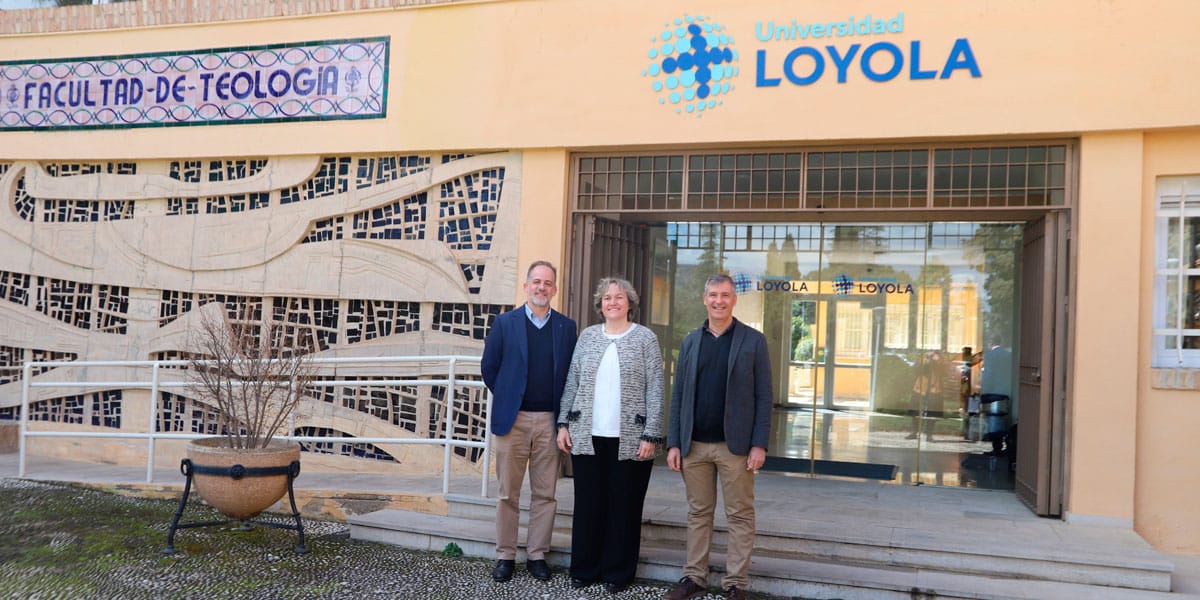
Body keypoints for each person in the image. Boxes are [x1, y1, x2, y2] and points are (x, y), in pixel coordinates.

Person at [664, 274, 772, 600]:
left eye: (725, 295)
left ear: (734, 300)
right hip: (694, 446)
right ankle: (694, 577)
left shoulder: (753, 341)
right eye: (713, 295)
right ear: (704, 299)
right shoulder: (690, 342)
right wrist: (674, 442)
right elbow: (679, 395)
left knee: (740, 515)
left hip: (735, 447)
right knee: (698, 513)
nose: (719, 301)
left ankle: (735, 583)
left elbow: (764, 396)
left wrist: (759, 443)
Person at [556, 277, 665, 594]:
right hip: (587, 435)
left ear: (630, 303)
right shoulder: (588, 337)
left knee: (624, 507)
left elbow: (656, 388)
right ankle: (584, 569)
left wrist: (651, 434)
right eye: (607, 297)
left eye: (619, 297)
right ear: (600, 304)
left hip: (631, 438)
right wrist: (563, 423)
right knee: (588, 505)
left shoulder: (645, 338)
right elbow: (572, 382)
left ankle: (618, 573)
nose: (613, 302)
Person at [481, 260, 577, 584]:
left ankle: (537, 555)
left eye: (547, 283)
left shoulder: (566, 328)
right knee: (508, 493)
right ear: (526, 286)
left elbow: (571, 376)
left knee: (545, 494)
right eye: (536, 281)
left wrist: (563, 421)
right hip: (514, 420)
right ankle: (505, 555)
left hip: (550, 421)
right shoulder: (505, 323)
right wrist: (509, 397)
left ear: (555, 289)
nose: (541, 287)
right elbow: (489, 367)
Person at [907, 350, 945, 442]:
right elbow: (917, 370)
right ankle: (915, 432)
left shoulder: (939, 361)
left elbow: (943, 372)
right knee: (916, 411)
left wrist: (937, 360)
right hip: (920, 389)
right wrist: (926, 360)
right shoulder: (923, 359)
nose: (931, 356)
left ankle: (929, 434)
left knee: (932, 413)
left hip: (934, 390)